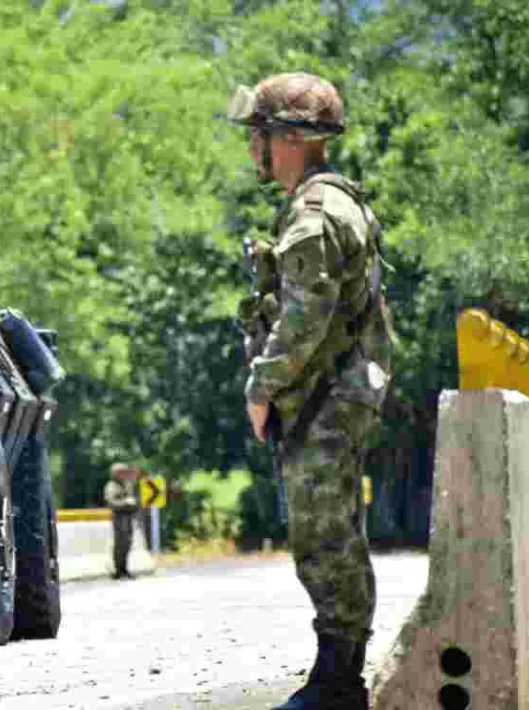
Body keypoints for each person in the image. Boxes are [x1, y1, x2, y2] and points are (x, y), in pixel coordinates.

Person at [227, 73, 394, 710]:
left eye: (260, 134)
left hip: (327, 397)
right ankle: (337, 676)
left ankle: (337, 684)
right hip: (333, 394)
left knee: (324, 538)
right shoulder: (327, 203)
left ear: (290, 139)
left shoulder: (316, 214)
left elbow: (306, 314)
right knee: (332, 534)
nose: (253, 148)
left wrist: (261, 386)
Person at [103, 463, 140, 580]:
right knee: (120, 544)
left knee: (127, 543)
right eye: (122, 472)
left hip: (128, 518)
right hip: (119, 519)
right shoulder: (112, 486)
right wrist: (125, 502)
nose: (124, 474)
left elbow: (133, 499)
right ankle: (118, 570)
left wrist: (134, 505)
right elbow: (111, 502)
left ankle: (124, 568)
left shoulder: (126, 485)